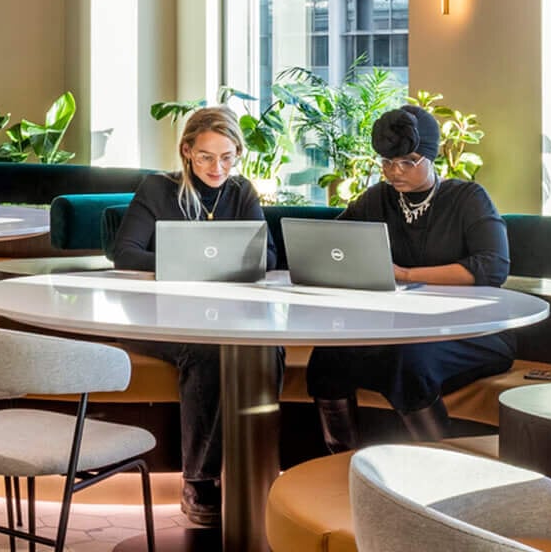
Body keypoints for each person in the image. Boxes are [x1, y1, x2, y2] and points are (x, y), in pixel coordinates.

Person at [305, 105, 514, 450]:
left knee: (408, 362)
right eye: (387, 163)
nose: (394, 171)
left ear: (431, 158)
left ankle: (438, 468)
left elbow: (493, 266)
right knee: (329, 357)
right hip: (399, 330)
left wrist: (405, 274)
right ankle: (344, 463)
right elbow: (333, 242)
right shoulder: (377, 199)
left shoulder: (468, 198)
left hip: (474, 330)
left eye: (408, 161)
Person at [107, 106, 270, 527]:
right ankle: (199, 479)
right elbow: (124, 253)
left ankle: (262, 474)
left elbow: (267, 257)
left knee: (269, 347)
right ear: (186, 152)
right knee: (205, 349)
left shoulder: (242, 192)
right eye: (206, 157)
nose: (218, 167)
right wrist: (188, 263)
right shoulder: (158, 189)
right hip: (159, 316)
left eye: (228, 157)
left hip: (225, 315)